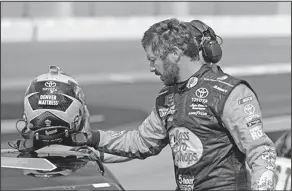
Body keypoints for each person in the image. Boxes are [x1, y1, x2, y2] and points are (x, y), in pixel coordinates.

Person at [78, 18, 277, 190]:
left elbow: (261, 152)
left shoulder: (231, 92)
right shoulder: (167, 97)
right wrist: (91, 138)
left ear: (174, 54)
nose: (150, 68)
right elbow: (141, 142)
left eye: (153, 60)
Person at [10, 65, 130, 164]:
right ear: (77, 117)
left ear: (27, 116)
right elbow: (137, 144)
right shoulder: (88, 158)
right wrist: (89, 137)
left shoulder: (10, 158)